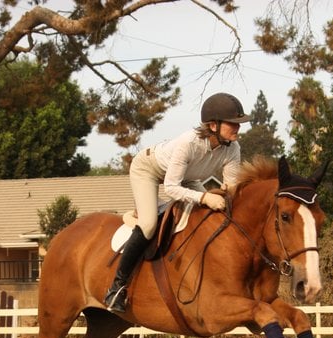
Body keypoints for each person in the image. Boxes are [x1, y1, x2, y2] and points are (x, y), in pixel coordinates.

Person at [103, 92, 251, 312]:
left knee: (210, 214)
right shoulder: (188, 142)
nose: (238, 128)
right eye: (233, 124)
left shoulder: (232, 148)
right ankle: (116, 288)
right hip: (148, 170)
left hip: (188, 178)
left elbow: (231, 189)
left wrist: (223, 196)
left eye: (239, 123)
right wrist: (205, 196)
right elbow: (171, 188)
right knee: (149, 225)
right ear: (213, 126)